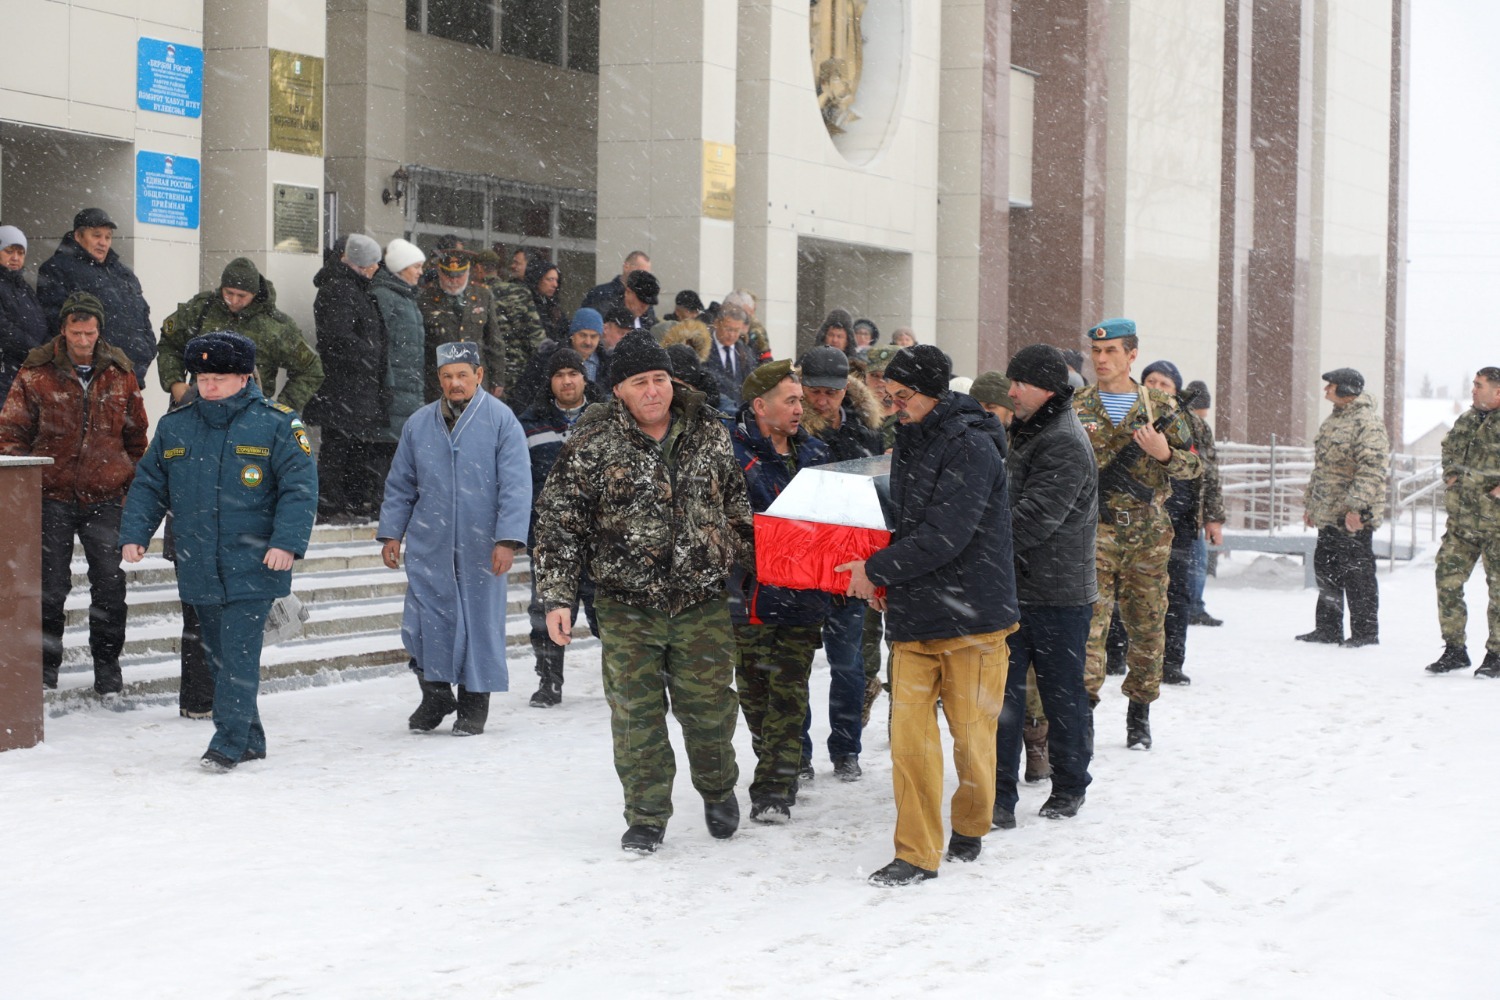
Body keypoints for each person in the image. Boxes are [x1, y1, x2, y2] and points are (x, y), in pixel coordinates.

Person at [532, 334, 753, 854]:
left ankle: (718, 788)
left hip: (700, 599)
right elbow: (560, 523)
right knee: (636, 716)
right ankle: (647, 814)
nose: (653, 391)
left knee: (709, 711)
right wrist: (558, 597)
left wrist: (746, 565)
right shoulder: (593, 440)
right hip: (626, 602)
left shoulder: (708, 431)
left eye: (660, 380)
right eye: (640, 383)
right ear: (619, 390)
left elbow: (736, 506)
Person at [837, 344, 1019, 886]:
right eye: (888, 395)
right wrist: (887, 581)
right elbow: (908, 526)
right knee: (909, 744)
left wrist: (877, 570)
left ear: (934, 393)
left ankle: (971, 823)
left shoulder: (973, 446)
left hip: (974, 619)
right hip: (915, 618)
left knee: (972, 739)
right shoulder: (910, 438)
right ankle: (916, 852)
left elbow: (947, 535)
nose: (894, 405)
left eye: (903, 396)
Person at [120, 331, 318, 770]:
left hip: (254, 560)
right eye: (203, 378)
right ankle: (250, 739)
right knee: (218, 655)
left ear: (245, 378)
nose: (208, 387)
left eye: (220, 379)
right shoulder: (176, 425)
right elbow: (150, 485)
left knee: (238, 656)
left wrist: (286, 543)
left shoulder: (277, 424)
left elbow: (300, 489)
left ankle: (227, 742)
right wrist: (135, 533)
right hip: (198, 561)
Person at [377, 341, 532, 736]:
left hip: (483, 545)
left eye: (463, 374)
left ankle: (474, 704)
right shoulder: (418, 424)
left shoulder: (502, 420)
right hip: (430, 542)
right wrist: (392, 533)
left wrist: (508, 540)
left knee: (479, 624)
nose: (455, 383)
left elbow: (516, 485)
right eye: (447, 376)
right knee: (421, 622)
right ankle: (435, 694)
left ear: (479, 375)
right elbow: (401, 484)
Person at [0, 291, 147, 694]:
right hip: (51, 496)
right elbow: (10, 434)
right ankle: (45, 666)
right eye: (76, 332)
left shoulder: (120, 372)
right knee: (49, 588)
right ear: (63, 329)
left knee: (110, 586)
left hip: (106, 495)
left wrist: (131, 487)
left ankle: (107, 665)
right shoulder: (35, 372)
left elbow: (137, 437)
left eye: (90, 333)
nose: (83, 341)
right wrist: (25, 487)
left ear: (100, 331)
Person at [1074, 319, 1200, 750]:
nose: (1101, 359)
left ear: (1132, 355)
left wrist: (1164, 455)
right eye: (1096, 351)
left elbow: (1194, 466)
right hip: (1092, 533)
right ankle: (1084, 714)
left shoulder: (1160, 405)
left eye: (1111, 351)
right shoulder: (1077, 406)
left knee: (1147, 628)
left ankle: (1139, 711)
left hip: (1147, 536)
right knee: (1089, 629)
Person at [990, 344, 1097, 826]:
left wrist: (976, 537)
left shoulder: (1064, 441)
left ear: (1048, 390)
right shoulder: (1029, 430)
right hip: (1018, 589)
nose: (1011, 391)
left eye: (1020, 383)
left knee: (1062, 697)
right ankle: (999, 797)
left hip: (1059, 595)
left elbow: (1034, 520)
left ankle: (1070, 786)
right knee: (1002, 699)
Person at [727, 360, 832, 821]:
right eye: (789, 401)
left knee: (788, 695)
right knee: (755, 699)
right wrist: (767, 548)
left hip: (803, 596)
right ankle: (778, 763)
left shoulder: (815, 454)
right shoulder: (731, 456)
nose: (799, 409)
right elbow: (724, 523)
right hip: (750, 596)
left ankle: (774, 789)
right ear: (760, 406)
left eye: (799, 400)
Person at [796, 345, 883, 781]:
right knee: (795, 666)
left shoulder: (865, 431)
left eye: (830, 392)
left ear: (845, 390)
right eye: (814, 391)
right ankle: (799, 754)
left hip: (849, 563)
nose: (821, 400)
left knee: (849, 664)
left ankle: (846, 749)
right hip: (801, 561)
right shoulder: (793, 433)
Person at [518, 348, 602, 707]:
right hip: (550, 541)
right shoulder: (529, 424)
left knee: (607, 613)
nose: (567, 381)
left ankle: (625, 680)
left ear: (584, 377)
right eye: (559, 375)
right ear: (550, 381)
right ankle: (549, 681)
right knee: (547, 613)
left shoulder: (607, 419)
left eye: (573, 373)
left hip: (601, 540)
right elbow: (520, 483)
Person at [1140, 360, 1224, 686]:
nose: (1156, 388)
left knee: (1176, 592)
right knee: (1127, 591)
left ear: (1176, 390)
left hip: (1180, 521)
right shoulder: (1129, 418)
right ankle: (1118, 656)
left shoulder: (1195, 425)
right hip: (1135, 520)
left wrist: (1213, 518)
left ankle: (1171, 661)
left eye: (1164, 383)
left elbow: (1210, 474)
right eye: (1151, 381)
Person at [1298, 368, 1389, 647]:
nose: (1326, 390)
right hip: (1328, 512)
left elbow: (1371, 469)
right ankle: (1327, 629)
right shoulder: (1333, 421)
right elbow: (1322, 469)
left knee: (1357, 575)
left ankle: (1364, 634)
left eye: (1331, 385)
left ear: (1347, 390)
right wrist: (1311, 504)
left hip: (1351, 516)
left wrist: (1356, 507)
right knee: (1327, 571)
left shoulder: (1367, 423)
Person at [158, 257, 324, 410]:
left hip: (249, 415)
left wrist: (280, 409)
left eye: (241, 296)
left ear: (255, 293)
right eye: (229, 293)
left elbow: (311, 369)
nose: (234, 300)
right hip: (199, 409)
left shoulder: (276, 327)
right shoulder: (201, 310)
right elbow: (169, 344)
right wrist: (175, 383)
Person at [304, 233, 389, 522]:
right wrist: (370, 354)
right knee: (339, 447)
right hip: (345, 386)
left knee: (349, 445)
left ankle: (343, 502)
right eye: (374, 263)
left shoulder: (352, 288)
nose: (377, 268)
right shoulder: (341, 290)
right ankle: (331, 505)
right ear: (362, 264)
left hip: (352, 385)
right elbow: (338, 338)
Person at [1428, 367, 1500, 677]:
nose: (1473, 389)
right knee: (1447, 580)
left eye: (1479, 385)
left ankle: (1496, 654)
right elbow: (1449, 447)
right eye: (1473, 384)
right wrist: (1451, 475)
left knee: (1498, 591)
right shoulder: (1468, 419)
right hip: (1462, 522)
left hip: (1496, 524)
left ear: (1498, 391)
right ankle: (1454, 649)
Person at [36, 208, 156, 387]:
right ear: (78, 236)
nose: (103, 243)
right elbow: (55, 322)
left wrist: (146, 351)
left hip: (131, 375)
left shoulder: (123, 273)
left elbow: (143, 313)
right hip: (86, 379)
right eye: (96, 235)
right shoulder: (57, 269)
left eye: (108, 237)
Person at [419, 250, 503, 402]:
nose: (454, 281)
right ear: (439, 272)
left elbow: (493, 339)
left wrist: (497, 378)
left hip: (474, 380)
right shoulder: (426, 298)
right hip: (439, 383)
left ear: (468, 272)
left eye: (459, 275)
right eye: (449, 276)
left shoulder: (482, 295)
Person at [371, 239, 428, 443]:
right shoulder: (385, 296)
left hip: (408, 390)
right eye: (416, 266)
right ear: (401, 267)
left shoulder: (407, 297)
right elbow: (380, 345)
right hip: (394, 393)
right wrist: (388, 386)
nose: (420, 272)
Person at [1182, 379, 1224, 625]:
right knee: (1196, 562)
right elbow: (1209, 474)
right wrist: (1213, 516)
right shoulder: (1198, 427)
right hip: (1191, 510)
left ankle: (1188, 607)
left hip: (1186, 509)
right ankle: (1192, 607)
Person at [0, 225, 49, 404]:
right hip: (6, 371)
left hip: (26, 370)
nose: (15, 257)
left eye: (20, 253)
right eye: (9, 251)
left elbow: (41, 322)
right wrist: (35, 350)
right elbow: (4, 329)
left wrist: (46, 348)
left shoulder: (24, 287)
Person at [704, 303, 756, 408]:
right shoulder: (703, 349)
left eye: (736, 330)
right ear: (717, 323)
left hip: (738, 412)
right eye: (728, 329)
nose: (732, 335)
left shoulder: (745, 352)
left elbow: (751, 386)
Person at [582, 250, 655, 321]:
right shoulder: (601, 294)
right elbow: (588, 323)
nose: (644, 277)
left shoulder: (645, 298)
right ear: (626, 267)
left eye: (647, 274)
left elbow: (649, 324)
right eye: (641, 272)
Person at [524, 257, 570, 344]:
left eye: (556, 280)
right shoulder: (527, 304)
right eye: (550, 279)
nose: (555, 285)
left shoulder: (554, 308)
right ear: (538, 280)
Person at [722, 289, 772, 364]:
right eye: (746, 314)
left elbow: (766, 359)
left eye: (754, 310)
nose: (750, 317)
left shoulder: (757, 331)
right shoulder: (720, 331)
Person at [622, 269, 660, 335]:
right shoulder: (609, 313)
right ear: (628, 292)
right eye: (641, 300)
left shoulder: (649, 318)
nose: (645, 306)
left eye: (648, 303)